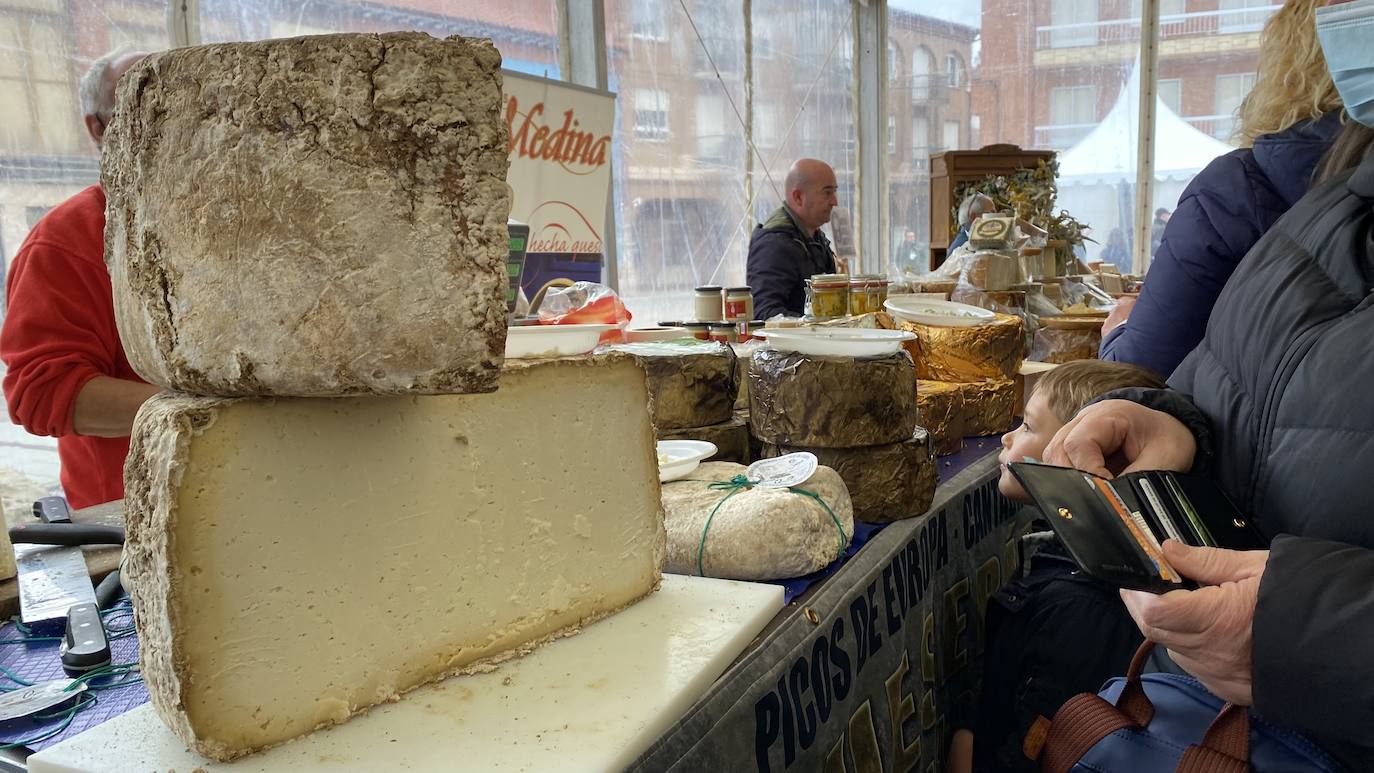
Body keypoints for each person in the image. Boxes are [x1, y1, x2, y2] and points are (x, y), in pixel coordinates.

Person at [1043, 53, 1374, 769]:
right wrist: (1172, 424)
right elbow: (1244, 383)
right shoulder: (1339, 193)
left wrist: (1312, 639)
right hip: (1203, 715)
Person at [942, 361, 1167, 773]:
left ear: (1090, 455)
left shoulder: (1083, 612)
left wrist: (962, 744)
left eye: (1028, 426)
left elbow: (1039, 752)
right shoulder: (1059, 553)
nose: (1008, 438)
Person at [1101, 0, 1344, 377]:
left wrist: (1117, 330)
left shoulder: (1236, 191)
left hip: (1237, 434)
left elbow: (1136, 375)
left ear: (1287, 69)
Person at [0, 48, 157, 509]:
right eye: (147, 109)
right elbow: (42, 391)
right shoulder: (66, 241)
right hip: (135, 515)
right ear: (98, 128)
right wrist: (207, 411)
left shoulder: (230, 224)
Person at [746, 159, 839, 319]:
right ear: (798, 197)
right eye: (827, 192)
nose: (834, 201)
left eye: (834, 192)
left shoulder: (813, 237)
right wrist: (813, 327)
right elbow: (765, 314)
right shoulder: (774, 244)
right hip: (790, 344)